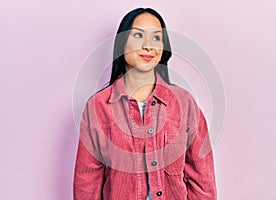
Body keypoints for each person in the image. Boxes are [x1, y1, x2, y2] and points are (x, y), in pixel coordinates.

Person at [73, 7, 217, 200]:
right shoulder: (98, 107)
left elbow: (203, 182)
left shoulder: (184, 104)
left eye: (156, 38)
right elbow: (86, 183)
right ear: (122, 43)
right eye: (139, 36)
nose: (149, 46)